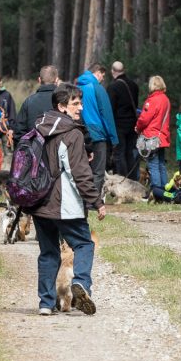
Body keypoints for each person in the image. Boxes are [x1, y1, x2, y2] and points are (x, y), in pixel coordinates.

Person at [30, 84, 107, 316]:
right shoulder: (72, 133)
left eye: (80, 103)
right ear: (62, 107)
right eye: (75, 103)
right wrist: (97, 201)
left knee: (48, 252)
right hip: (64, 204)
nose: (81, 108)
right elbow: (80, 174)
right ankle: (81, 283)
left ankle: (45, 303)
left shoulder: (38, 128)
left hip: (38, 201)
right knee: (84, 243)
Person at [76, 63, 118, 197]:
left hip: (79, 132)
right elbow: (106, 114)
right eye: (103, 76)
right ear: (98, 72)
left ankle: (81, 198)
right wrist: (113, 137)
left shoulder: (76, 87)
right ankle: (93, 202)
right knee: (98, 170)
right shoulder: (97, 88)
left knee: (81, 169)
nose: (103, 79)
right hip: (97, 134)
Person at [135, 75, 171, 202]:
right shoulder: (166, 99)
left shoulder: (153, 100)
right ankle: (165, 193)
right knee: (161, 165)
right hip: (162, 137)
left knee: (153, 166)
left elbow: (144, 118)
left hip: (151, 138)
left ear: (153, 85)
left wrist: (137, 128)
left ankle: (157, 194)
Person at [106, 61, 141, 180]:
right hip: (132, 124)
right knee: (129, 153)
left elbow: (109, 109)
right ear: (124, 70)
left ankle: (122, 181)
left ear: (112, 71)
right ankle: (132, 180)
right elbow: (135, 105)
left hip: (118, 125)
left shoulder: (112, 87)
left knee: (119, 154)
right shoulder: (134, 85)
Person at [15, 66, 59, 135]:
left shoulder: (29, 101)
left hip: (33, 143)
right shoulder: (63, 101)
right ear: (57, 80)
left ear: (39, 80)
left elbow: (19, 130)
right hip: (58, 144)